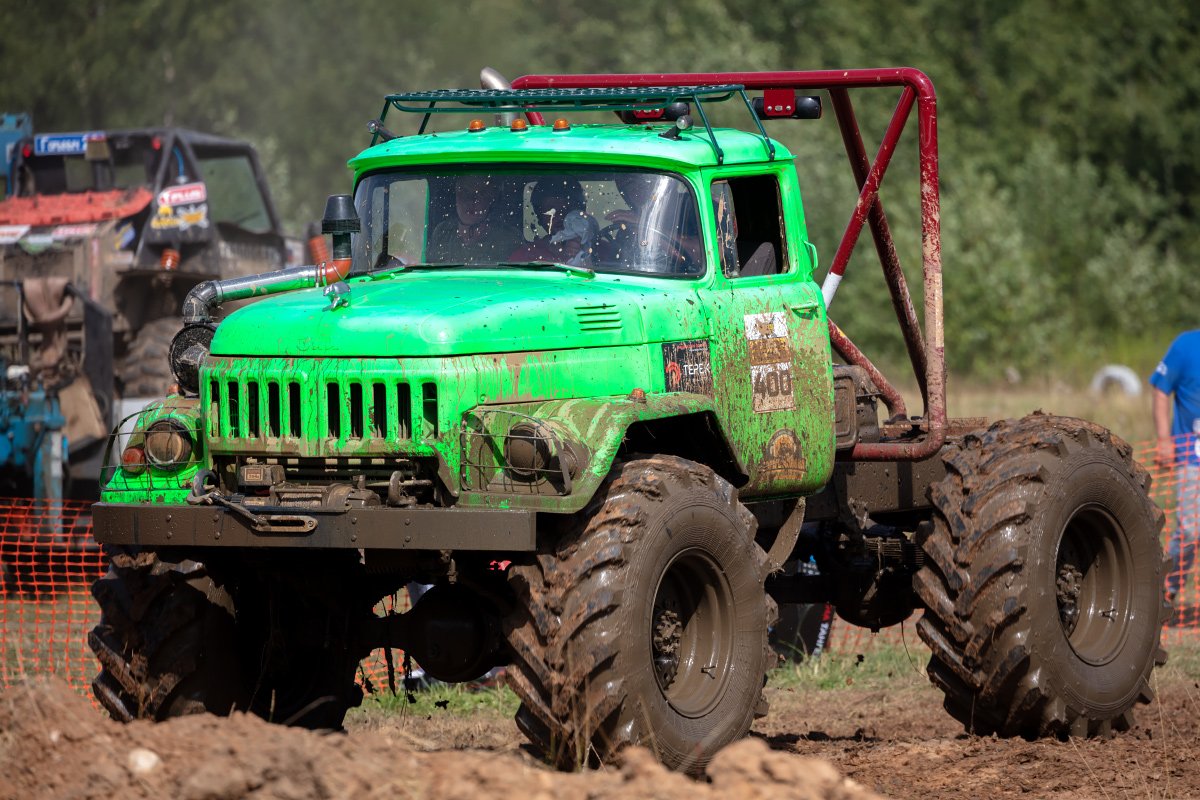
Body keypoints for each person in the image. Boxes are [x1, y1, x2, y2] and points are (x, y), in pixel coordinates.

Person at [1151, 329, 1200, 603]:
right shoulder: (1186, 345)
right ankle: (1165, 589)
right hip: (1192, 456)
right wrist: (1164, 440)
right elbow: (1161, 388)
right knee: (1192, 530)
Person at [428, 175, 523, 264]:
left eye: (481, 194)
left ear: (493, 200)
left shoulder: (509, 239)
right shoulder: (443, 232)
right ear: (455, 195)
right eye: (464, 192)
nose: (470, 201)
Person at [508, 178, 599, 266]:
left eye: (567, 209)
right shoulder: (523, 259)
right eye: (551, 211)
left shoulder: (604, 251)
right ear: (539, 215)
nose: (560, 216)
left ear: (581, 213)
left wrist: (586, 256)